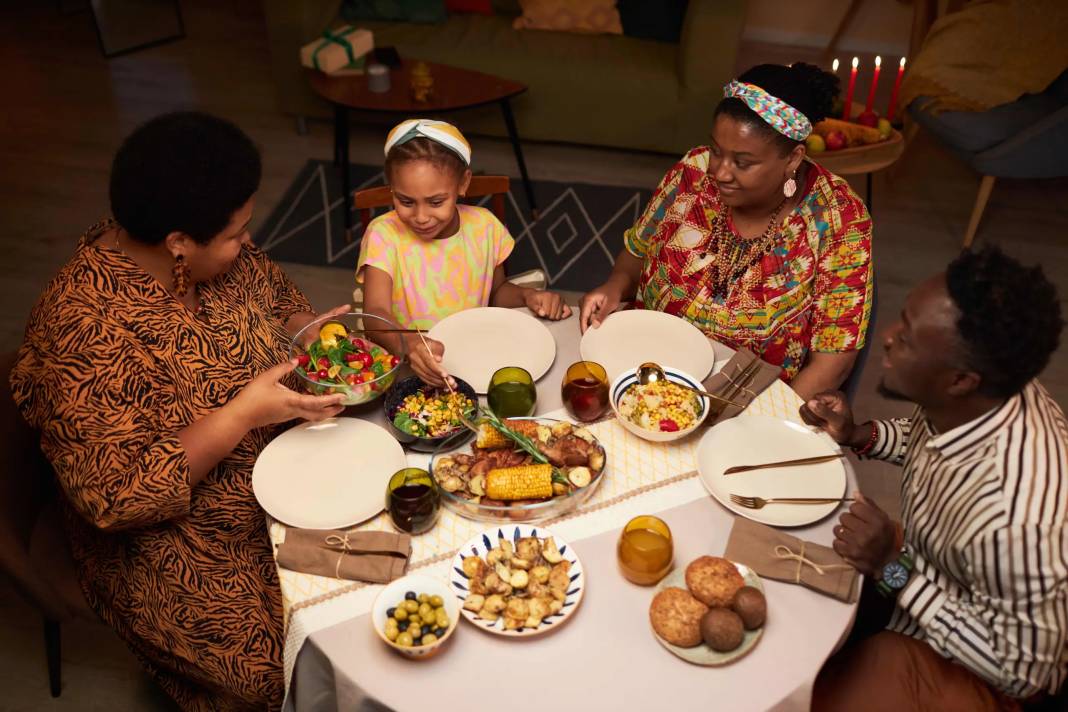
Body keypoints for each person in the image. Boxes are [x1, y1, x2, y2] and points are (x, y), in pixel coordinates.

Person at [9, 112, 348, 711]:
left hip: (286, 466)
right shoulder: (81, 332)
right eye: (236, 233)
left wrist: (321, 335)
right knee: (301, 660)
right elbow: (115, 498)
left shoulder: (216, 255)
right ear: (177, 243)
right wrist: (239, 416)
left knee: (385, 566)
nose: (247, 242)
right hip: (174, 545)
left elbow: (278, 299)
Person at [801, 247, 1067, 711]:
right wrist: (859, 434)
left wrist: (891, 568)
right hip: (928, 574)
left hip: (988, 678)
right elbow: (928, 440)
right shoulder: (980, 396)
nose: (886, 337)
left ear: (961, 380)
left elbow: (1023, 674)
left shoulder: (1021, 522)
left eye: (906, 339)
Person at [579, 63, 874, 400]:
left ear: (793, 158)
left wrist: (762, 426)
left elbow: (832, 363)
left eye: (743, 162)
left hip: (747, 404)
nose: (719, 171)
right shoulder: (692, 172)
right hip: (642, 369)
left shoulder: (838, 219)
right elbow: (636, 252)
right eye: (717, 151)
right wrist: (615, 285)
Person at [357, 119, 571, 386]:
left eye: (436, 202)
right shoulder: (383, 234)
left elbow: (497, 291)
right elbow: (374, 315)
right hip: (409, 367)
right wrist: (410, 345)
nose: (421, 217)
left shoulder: (485, 227)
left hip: (476, 359)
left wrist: (528, 296)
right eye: (405, 201)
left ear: (463, 183)